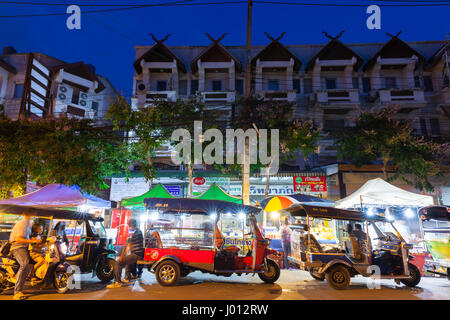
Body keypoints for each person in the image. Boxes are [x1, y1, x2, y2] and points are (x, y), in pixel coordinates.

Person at [9, 208, 42, 300]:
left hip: (24, 247)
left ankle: (27, 278)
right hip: (18, 247)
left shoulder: (28, 224)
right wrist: (32, 241)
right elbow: (19, 239)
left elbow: (26, 238)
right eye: (33, 214)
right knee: (25, 264)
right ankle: (17, 292)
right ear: (29, 214)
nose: (34, 216)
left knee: (32, 263)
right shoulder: (22, 223)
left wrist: (33, 241)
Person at [107, 219, 144, 288]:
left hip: (136, 254)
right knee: (127, 261)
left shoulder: (132, 231)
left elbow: (127, 244)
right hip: (139, 253)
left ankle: (117, 282)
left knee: (118, 262)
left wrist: (122, 256)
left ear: (130, 225)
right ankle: (127, 277)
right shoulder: (139, 231)